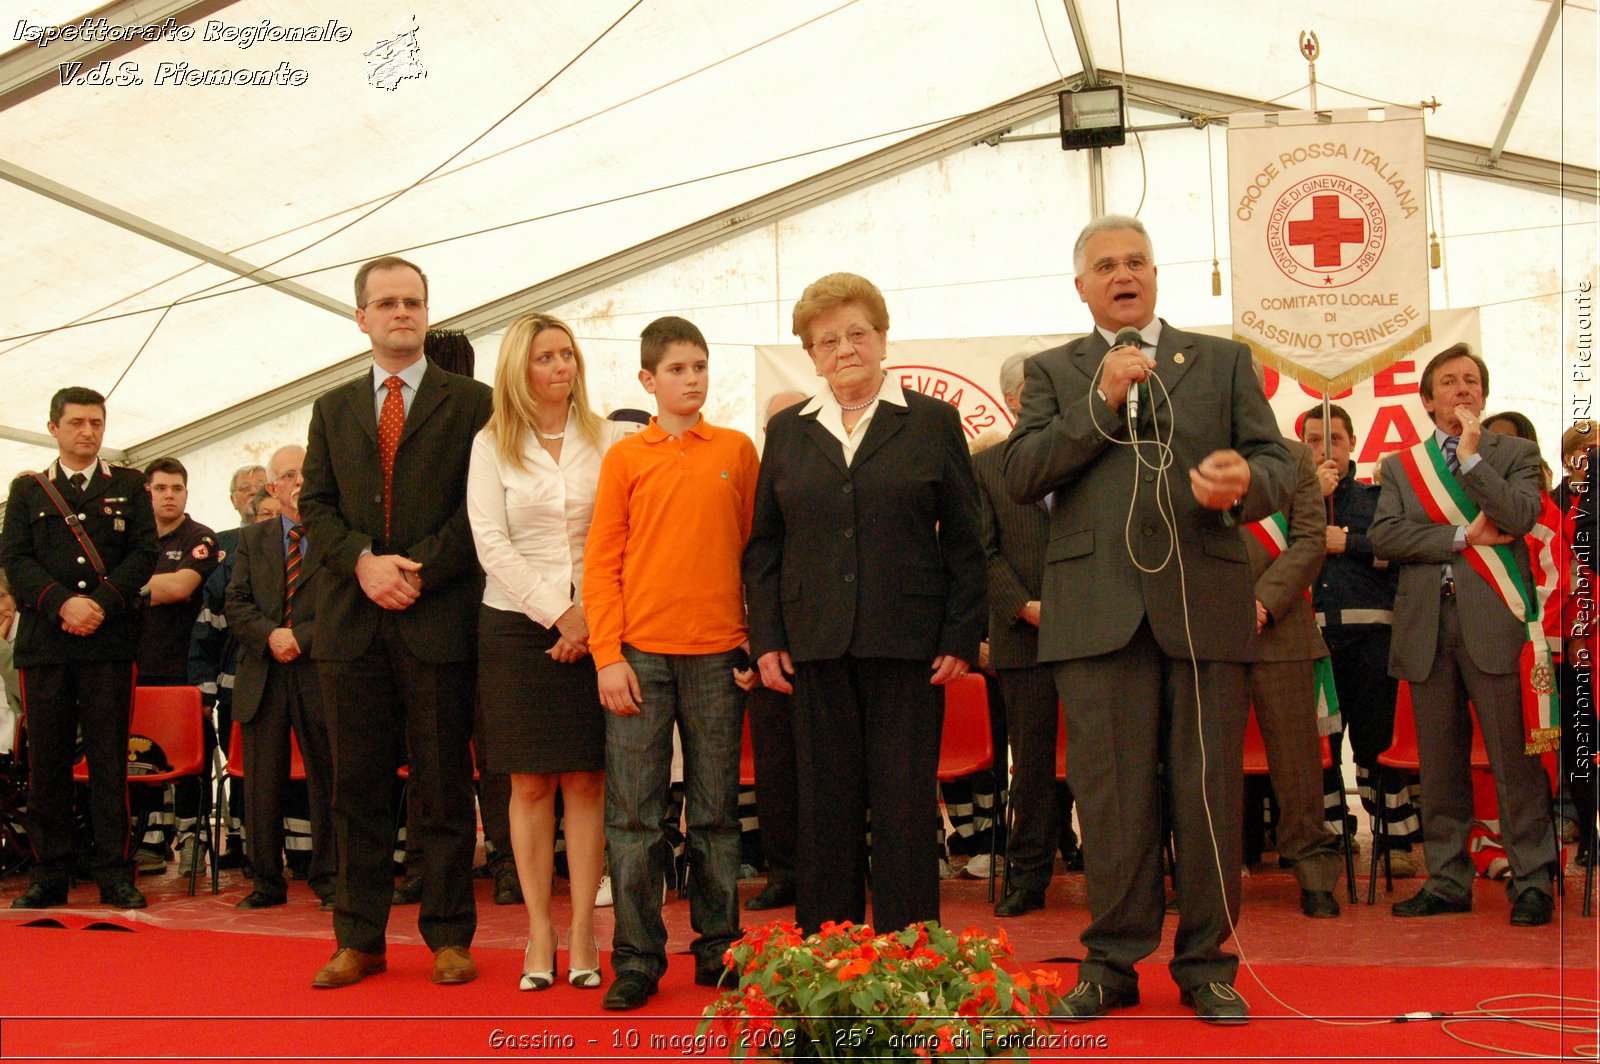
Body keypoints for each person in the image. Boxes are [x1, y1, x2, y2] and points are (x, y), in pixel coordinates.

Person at [1003, 216, 1293, 1024]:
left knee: (1207, 793)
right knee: (1111, 799)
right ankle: (1111, 962)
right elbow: (1024, 473)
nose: (1122, 274)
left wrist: (1244, 481)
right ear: (1082, 287)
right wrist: (1101, 401)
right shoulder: (1057, 372)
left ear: (1156, 276)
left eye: (1135, 262)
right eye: (1105, 265)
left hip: (1201, 603)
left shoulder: (1224, 360)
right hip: (1096, 612)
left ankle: (1206, 963)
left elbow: (1275, 463)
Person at [744, 273, 986, 938]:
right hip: (814, 649)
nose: (844, 348)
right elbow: (764, 546)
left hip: (910, 649)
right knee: (825, 812)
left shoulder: (932, 423)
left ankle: (912, 963)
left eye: (857, 333)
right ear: (812, 354)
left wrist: (961, 635)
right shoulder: (788, 432)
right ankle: (832, 958)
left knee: (905, 811)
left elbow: (969, 540)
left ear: (881, 337)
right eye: (828, 339)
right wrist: (766, 638)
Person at [299, 255, 494, 988]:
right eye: (386, 303)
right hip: (351, 624)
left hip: (437, 617)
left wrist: (413, 568)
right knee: (356, 790)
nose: (401, 313)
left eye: (412, 301)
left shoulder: (473, 403)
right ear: (362, 318)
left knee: (443, 786)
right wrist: (364, 564)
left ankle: (447, 934)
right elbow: (313, 507)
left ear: (426, 310)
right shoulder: (333, 407)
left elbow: (480, 510)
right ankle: (360, 939)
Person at [584, 316, 760, 1011]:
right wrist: (607, 657)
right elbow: (601, 566)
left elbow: (756, 555)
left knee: (717, 815)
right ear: (647, 380)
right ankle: (636, 958)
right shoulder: (625, 459)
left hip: (720, 655)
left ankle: (719, 950)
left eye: (701, 367)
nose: (692, 379)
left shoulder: (739, 451)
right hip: (639, 659)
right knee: (634, 818)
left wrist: (751, 640)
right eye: (678, 369)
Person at [467, 312, 632, 991]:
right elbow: (489, 541)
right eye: (546, 356)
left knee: (588, 780)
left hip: (597, 619)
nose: (562, 366)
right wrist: (559, 612)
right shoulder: (490, 444)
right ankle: (540, 930)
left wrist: (588, 617)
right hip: (515, 627)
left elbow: (622, 531)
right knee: (529, 783)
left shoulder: (612, 438)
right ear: (519, 368)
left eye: (568, 354)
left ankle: (588, 929)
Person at [1370, 344, 1559, 926]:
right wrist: (1460, 537)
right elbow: (1385, 538)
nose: (1462, 389)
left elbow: (1524, 514)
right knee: (1440, 765)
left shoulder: (1516, 453)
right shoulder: (1403, 466)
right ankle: (1448, 877)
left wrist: (1474, 463)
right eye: (1448, 382)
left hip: (1497, 623)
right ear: (1427, 400)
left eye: (1471, 380)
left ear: (1484, 392)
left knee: (1514, 760)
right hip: (1426, 628)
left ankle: (1532, 879)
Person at [2, 386, 158, 910]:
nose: (87, 432)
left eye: (96, 422)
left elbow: (143, 554)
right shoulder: (28, 491)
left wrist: (100, 606)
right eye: (76, 423)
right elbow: (16, 561)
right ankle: (50, 874)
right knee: (45, 761)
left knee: (110, 758)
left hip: (109, 641)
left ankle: (114, 871)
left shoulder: (130, 486)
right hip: (46, 644)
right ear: (54, 428)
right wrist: (63, 604)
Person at [1300, 404, 1421, 876]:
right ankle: (1331, 833)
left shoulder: (1378, 499)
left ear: (1351, 443)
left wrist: (1347, 541)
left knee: (1376, 741)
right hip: (1313, 643)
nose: (1323, 448)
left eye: (1332, 438)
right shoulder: (1291, 500)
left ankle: (1394, 839)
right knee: (1322, 742)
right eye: (1312, 440)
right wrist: (1311, 501)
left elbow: (1402, 549)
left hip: (1373, 641)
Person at [978, 353, 1078, 918]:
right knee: (1034, 766)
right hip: (1022, 637)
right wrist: (1024, 606)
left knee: (1108, 762)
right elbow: (980, 552)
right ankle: (1029, 876)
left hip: (1095, 633)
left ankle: (1125, 875)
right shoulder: (986, 466)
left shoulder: (1089, 460)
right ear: (1017, 399)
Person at [225, 444, 336, 910]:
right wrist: (272, 635)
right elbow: (236, 603)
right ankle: (266, 881)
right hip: (264, 673)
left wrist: (300, 638)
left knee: (327, 780)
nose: (300, 483)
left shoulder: (336, 538)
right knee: (261, 785)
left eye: (308, 473)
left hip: (319, 671)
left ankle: (330, 879)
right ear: (272, 488)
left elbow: (345, 604)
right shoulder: (253, 541)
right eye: (289, 476)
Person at [1241, 440, 1345, 916]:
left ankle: (1314, 875)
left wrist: (1262, 602)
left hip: (1280, 626)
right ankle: (1208, 878)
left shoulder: (1294, 457)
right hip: (1203, 628)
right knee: (1206, 764)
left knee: (1298, 766)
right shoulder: (1185, 448)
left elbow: (1310, 539)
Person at [743, 390, 808, 913]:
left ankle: (843, 868)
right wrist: (751, 643)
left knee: (833, 769)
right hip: (763, 651)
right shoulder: (751, 485)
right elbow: (743, 566)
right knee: (775, 772)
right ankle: (783, 872)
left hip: (823, 646)